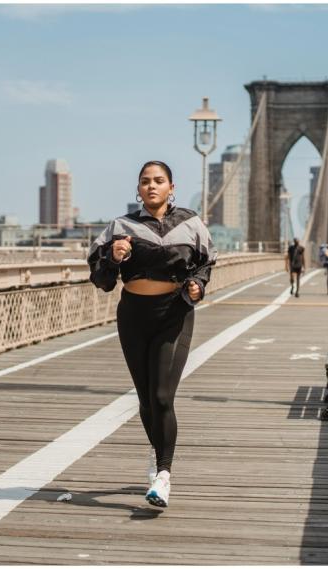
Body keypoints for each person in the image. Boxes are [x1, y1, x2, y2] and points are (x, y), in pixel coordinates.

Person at [88, 160, 216, 508]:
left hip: (173, 314)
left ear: (172, 187)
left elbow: (206, 263)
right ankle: (158, 450)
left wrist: (197, 287)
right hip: (133, 315)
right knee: (144, 399)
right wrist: (113, 258)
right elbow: (101, 280)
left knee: (161, 396)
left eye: (159, 181)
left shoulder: (190, 222)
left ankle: (163, 474)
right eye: (145, 181)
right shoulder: (121, 226)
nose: (152, 186)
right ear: (138, 189)